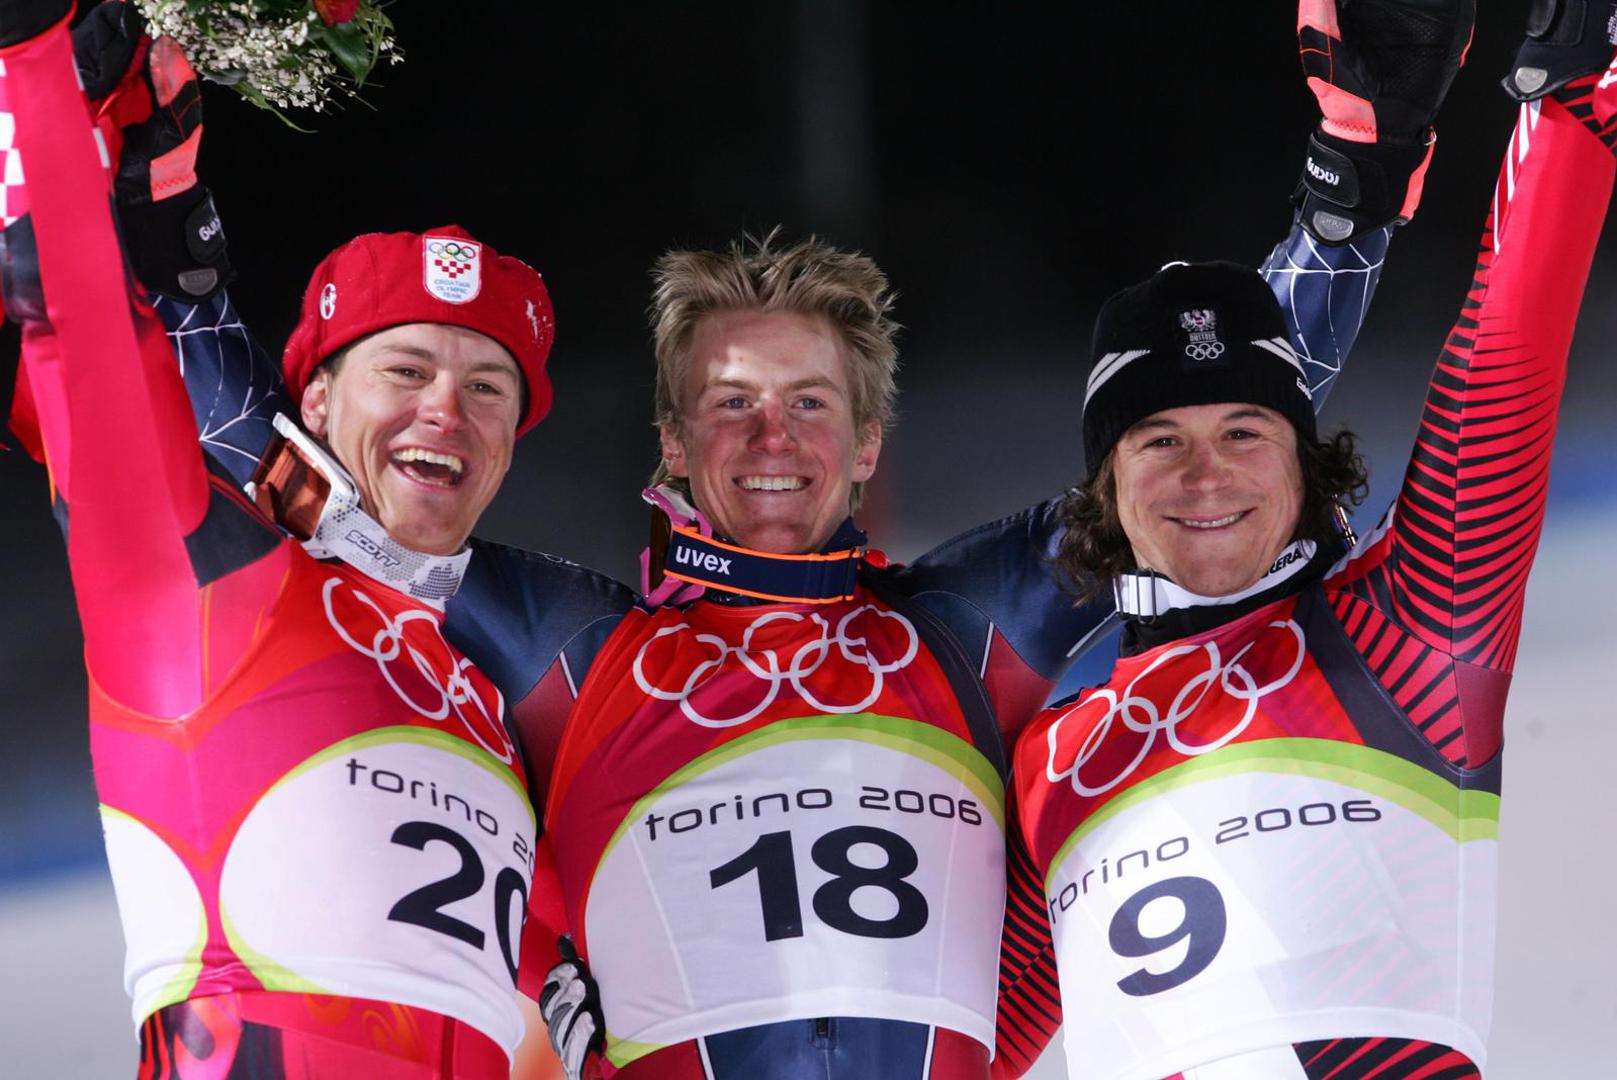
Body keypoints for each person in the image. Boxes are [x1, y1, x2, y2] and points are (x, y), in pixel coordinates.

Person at [0, 3, 627, 1077]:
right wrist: (40, 74)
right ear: (319, 398)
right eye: (408, 372)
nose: (448, 410)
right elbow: (69, 313)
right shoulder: (204, 572)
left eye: (489, 390)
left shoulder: (490, 694)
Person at [994, 4, 1617, 1077]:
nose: (1207, 475)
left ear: (1304, 459)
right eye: (1160, 441)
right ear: (1104, 485)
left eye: (1247, 432)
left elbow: (1508, 349)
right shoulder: (1053, 758)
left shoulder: (1406, 632)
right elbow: (938, 1044)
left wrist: (1571, 97)